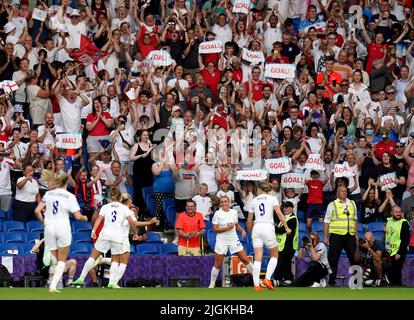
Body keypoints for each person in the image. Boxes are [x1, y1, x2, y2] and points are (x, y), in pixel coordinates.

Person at [70, 188, 158, 288]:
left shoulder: (105, 207)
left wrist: (93, 231)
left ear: (111, 197)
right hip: (118, 237)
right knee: (117, 260)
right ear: (120, 197)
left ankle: (81, 278)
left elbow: (99, 219)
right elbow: (132, 223)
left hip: (105, 234)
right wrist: (135, 232)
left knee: (92, 257)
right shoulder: (124, 209)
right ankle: (112, 283)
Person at [34, 170, 88, 293]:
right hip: (63, 227)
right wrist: (85, 218)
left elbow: (37, 211)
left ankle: (51, 272)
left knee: (54, 256)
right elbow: (78, 216)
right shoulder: (70, 196)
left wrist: (44, 222)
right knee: (62, 260)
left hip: (49, 227)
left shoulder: (48, 194)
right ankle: (53, 286)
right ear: (67, 181)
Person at [247, 181, 291, 291]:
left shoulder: (254, 200)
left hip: (257, 227)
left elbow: (249, 221)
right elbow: (279, 214)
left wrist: (252, 232)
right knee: (274, 255)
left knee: (257, 258)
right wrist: (286, 227)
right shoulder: (272, 198)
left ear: (259, 189)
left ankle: (256, 285)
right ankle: (267, 278)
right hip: (267, 227)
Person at [208, 196, 253, 288]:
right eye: (222, 202)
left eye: (225, 201)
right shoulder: (217, 213)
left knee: (245, 259)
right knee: (218, 264)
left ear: (229, 202)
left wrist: (242, 230)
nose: (224, 203)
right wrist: (226, 228)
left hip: (233, 239)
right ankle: (212, 284)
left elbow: (235, 224)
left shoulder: (234, 212)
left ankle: (257, 280)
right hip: (221, 240)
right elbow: (215, 229)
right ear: (220, 203)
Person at [324, 186, 358, 286]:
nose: (344, 193)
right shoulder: (332, 204)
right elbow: (326, 222)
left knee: (355, 258)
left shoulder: (352, 203)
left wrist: (356, 235)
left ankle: (357, 281)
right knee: (333, 259)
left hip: (350, 235)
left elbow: (355, 220)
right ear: (338, 193)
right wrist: (325, 237)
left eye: (345, 191)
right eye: (342, 191)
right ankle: (331, 282)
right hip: (336, 235)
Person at [385, 205, 411, 285]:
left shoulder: (404, 223)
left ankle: (397, 286)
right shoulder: (389, 221)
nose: (398, 213)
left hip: (399, 250)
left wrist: (399, 252)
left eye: (399, 212)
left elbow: (406, 240)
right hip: (389, 250)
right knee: (393, 270)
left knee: (396, 269)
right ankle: (393, 285)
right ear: (392, 213)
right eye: (396, 212)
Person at [274, 201, 299, 286]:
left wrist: (273, 227)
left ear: (292, 208)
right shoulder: (284, 218)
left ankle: (278, 279)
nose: (284, 209)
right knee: (286, 263)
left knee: (281, 263)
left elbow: (281, 231)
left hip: (289, 245)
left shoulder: (292, 219)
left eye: (287, 207)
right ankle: (289, 279)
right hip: (283, 245)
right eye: (284, 207)